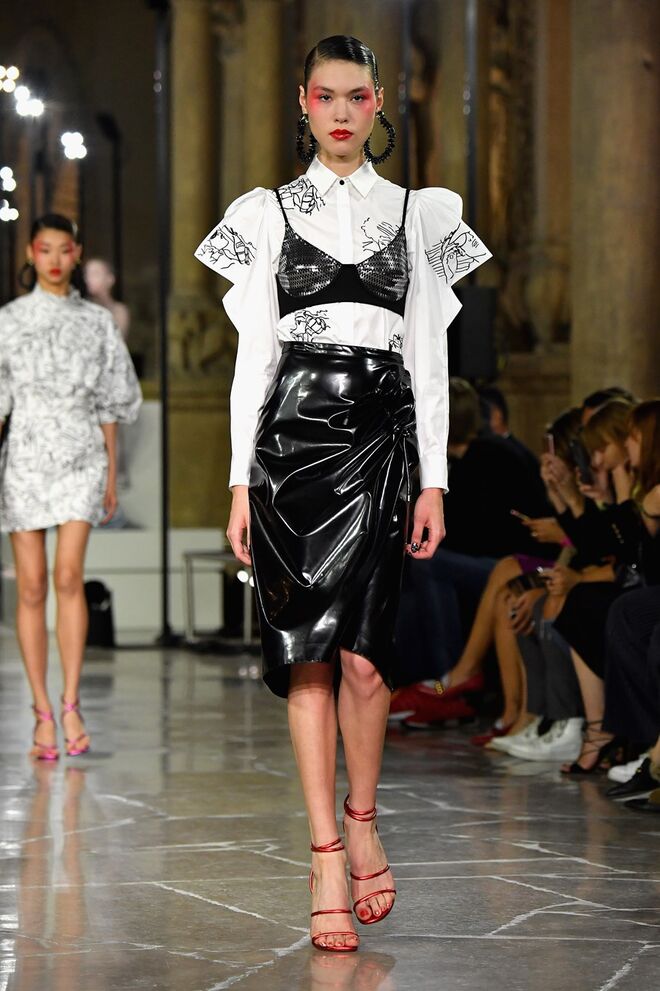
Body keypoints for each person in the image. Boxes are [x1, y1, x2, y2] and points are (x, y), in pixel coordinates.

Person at [195, 36, 490, 952]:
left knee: (368, 659)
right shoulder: (267, 213)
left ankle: (364, 819)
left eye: (356, 97)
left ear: (378, 102)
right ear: (303, 101)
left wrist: (435, 479)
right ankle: (326, 851)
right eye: (325, 96)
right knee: (310, 656)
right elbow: (254, 361)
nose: (340, 112)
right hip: (291, 449)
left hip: (384, 444)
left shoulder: (420, 212)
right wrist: (239, 482)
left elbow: (431, 359)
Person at [0, 214, 141, 761]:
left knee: (67, 576)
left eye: (65, 249)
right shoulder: (9, 320)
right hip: (26, 456)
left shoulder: (97, 323)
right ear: (31, 254)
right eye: (45, 249)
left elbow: (111, 402)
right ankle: (41, 711)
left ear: (77, 253)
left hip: (82, 456)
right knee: (31, 585)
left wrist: (110, 472)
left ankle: (71, 702)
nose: (55, 259)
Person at [83, 258, 130, 340]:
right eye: (87, 274)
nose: (88, 279)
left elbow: (114, 340)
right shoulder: (80, 307)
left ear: (110, 279)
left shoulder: (119, 311)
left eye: (95, 274)